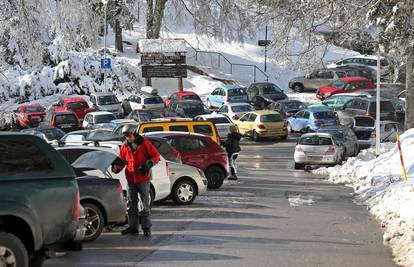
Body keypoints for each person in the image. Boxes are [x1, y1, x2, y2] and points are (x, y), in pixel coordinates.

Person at [112, 125, 160, 237]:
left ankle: (146, 227)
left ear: (134, 134)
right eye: (126, 136)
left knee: (144, 204)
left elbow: (155, 156)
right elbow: (122, 161)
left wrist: (148, 164)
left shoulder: (144, 143)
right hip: (130, 179)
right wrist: (116, 168)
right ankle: (133, 227)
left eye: (129, 136)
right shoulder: (124, 146)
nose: (128, 138)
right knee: (131, 203)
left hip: (143, 178)